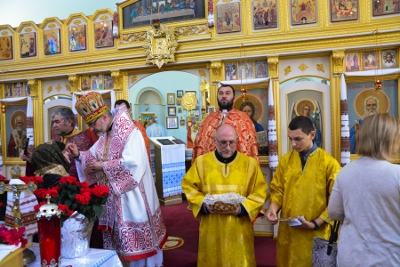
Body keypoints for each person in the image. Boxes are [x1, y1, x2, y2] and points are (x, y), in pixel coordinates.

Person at [67, 92, 167, 266]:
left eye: (92, 123)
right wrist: (79, 155)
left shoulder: (130, 131)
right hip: (114, 201)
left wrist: (103, 166)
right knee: (119, 242)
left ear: (104, 117)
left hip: (133, 197)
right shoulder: (105, 134)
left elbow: (135, 163)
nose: (92, 128)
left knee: (138, 245)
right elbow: (92, 155)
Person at [182, 124, 268, 266]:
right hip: (212, 226)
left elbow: (260, 191)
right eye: (223, 142)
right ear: (215, 141)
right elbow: (188, 186)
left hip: (239, 228)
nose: (227, 147)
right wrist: (203, 206)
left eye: (231, 142)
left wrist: (242, 209)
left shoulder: (249, 164)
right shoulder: (201, 163)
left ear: (237, 140)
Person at [266, 116, 341, 267]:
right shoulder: (286, 161)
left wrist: (314, 224)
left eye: (298, 139)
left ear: (312, 135)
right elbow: (278, 190)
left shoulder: (329, 163)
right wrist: (273, 209)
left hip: (316, 233)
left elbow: (336, 201)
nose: (293, 144)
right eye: (290, 139)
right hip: (289, 233)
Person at [328, 113, 400, 266]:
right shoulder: (397, 174)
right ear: (390, 140)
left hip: (350, 256)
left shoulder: (345, 171)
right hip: (388, 258)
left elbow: (334, 212)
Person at [192, 83, 258, 163]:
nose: (224, 96)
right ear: (217, 97)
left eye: (227, 93)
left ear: (234, 98)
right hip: (212, 168)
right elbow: (200, 146)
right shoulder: (209, 119)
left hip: (237, 167)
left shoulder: (243, 119)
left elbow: (250, 146)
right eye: (221, 93)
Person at [114, 99, 151, 165]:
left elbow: (145, 148)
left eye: (123, 110)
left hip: (136, 163)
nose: (120, 113)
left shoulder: (138, 127)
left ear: (129, 110)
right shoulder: (113, 129)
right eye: (117, 111)